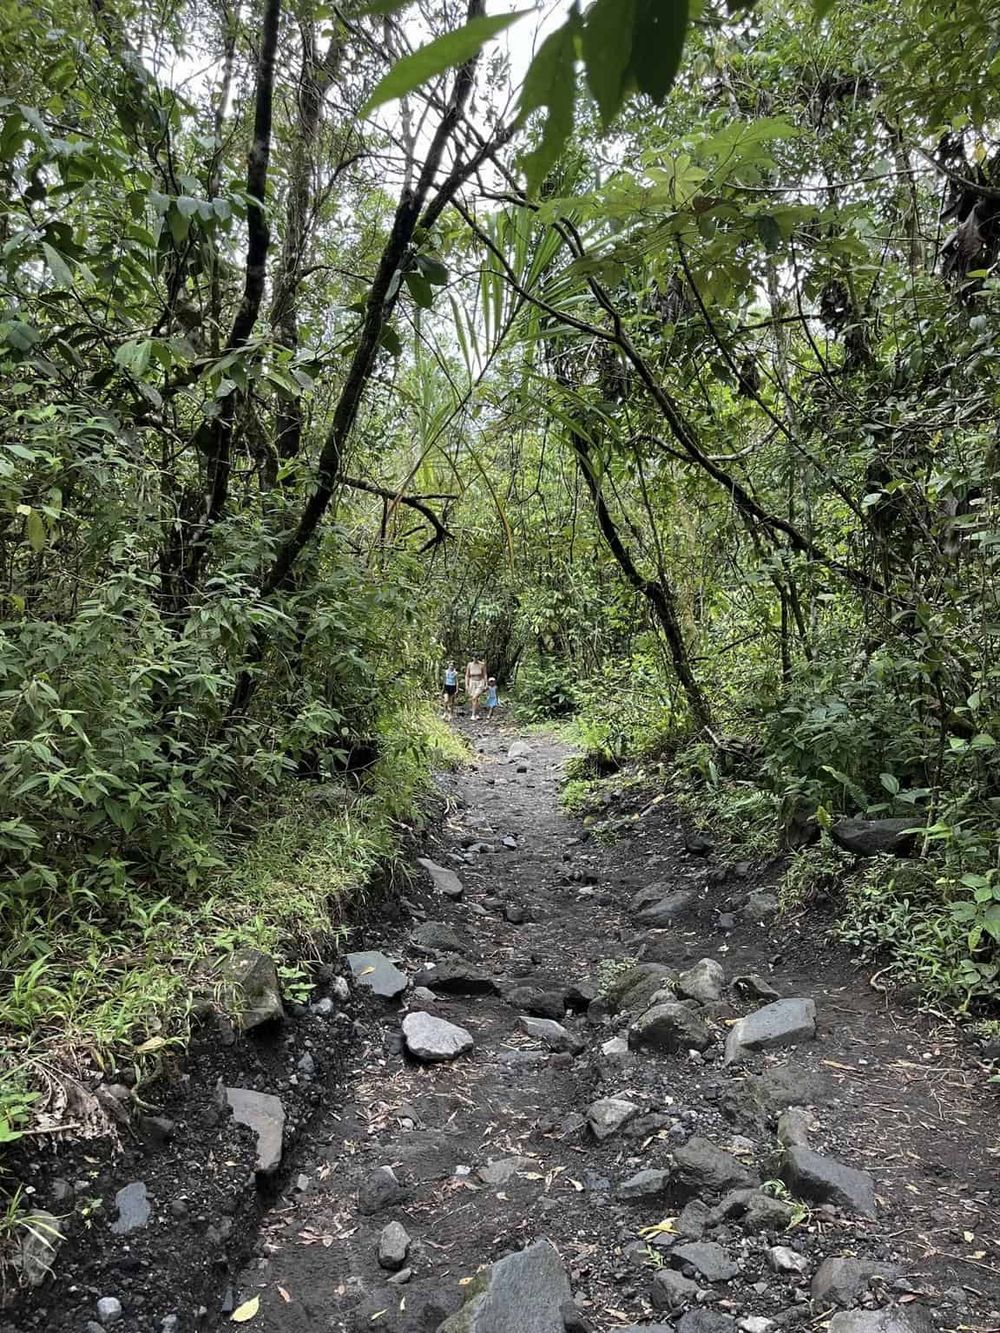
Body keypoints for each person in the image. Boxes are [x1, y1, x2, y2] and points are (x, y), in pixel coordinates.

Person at [465, 653, 488, 721]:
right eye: (474, 657)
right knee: (475, 699)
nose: (475, 659)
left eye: (477, 657)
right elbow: (467, 675)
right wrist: (466, 685)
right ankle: (477, 714)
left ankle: (473, 715)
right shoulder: (469, 664)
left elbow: (485, 675)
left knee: (475, 697)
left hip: (480, 682)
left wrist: (486, 684)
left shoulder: (482, 665)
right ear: (472, 657)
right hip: (472, 682)